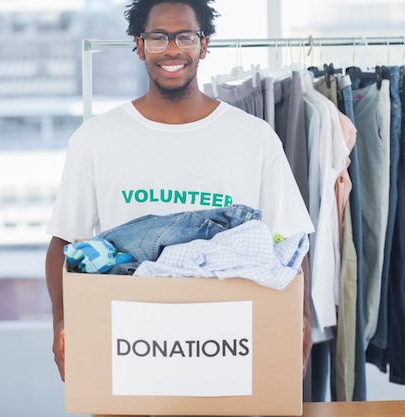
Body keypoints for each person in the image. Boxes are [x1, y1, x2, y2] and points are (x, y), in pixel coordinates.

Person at [45, 0, 314, 382]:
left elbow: (292, 242)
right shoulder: (94, 139)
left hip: (227, 353)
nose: (172, 50)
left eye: (185, 36)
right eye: (158, 37)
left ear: (204, 45)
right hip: (126, 351)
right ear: (139, 46)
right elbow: (62, 244)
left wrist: (300, 319)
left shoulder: (254, 138)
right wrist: (61, 320)